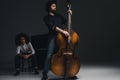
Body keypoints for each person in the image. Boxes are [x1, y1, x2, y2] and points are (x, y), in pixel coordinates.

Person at [42, 0, 73, 80]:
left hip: (62, 36)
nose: (55, 7)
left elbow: (66, 21)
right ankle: (44, 73)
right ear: (49, 7)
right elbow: (53, 27)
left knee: (65, 53)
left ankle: (67, 73)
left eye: (55, 5)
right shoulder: (46, 18)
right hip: (52, 37)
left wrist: (69, 13)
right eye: (53, 6)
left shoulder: (59, 16)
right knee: (49, 54)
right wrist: (63, 31)